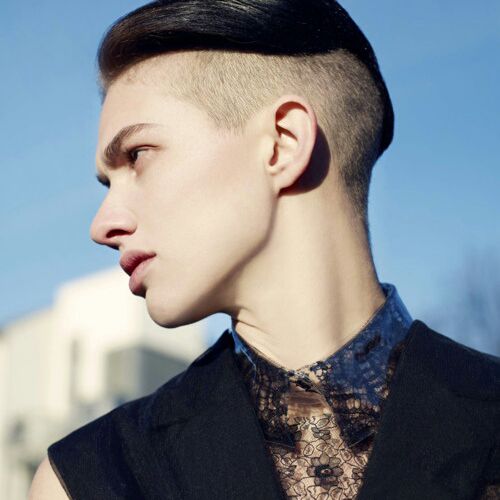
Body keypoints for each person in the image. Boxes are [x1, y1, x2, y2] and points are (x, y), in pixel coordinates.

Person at [29, 0, 500, 498]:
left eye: (138, 154)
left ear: (283, 143)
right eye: (108, 182)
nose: (102, 225)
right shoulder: (87, 479)